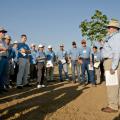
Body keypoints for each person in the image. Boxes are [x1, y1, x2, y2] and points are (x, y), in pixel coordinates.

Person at [101, 19, 120, 113]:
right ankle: (117, 103)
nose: (108, 28)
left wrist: (113, 66)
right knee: (115, 84)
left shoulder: (116, 37)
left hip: (111, 61)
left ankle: (113, 106)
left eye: (109, 27)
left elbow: (117, 52)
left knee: (112, 85)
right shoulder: (112, 37)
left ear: (114, 28)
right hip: (109, 61)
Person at [0, 27, 8, 93]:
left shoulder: (4, 41)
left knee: (4, 74)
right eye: (2, 32)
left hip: (5, 58)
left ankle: (2, 87)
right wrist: (2, 48)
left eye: (4, 32)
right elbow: (4, 49)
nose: (4, 33)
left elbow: (6, 49)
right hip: (0, 57)